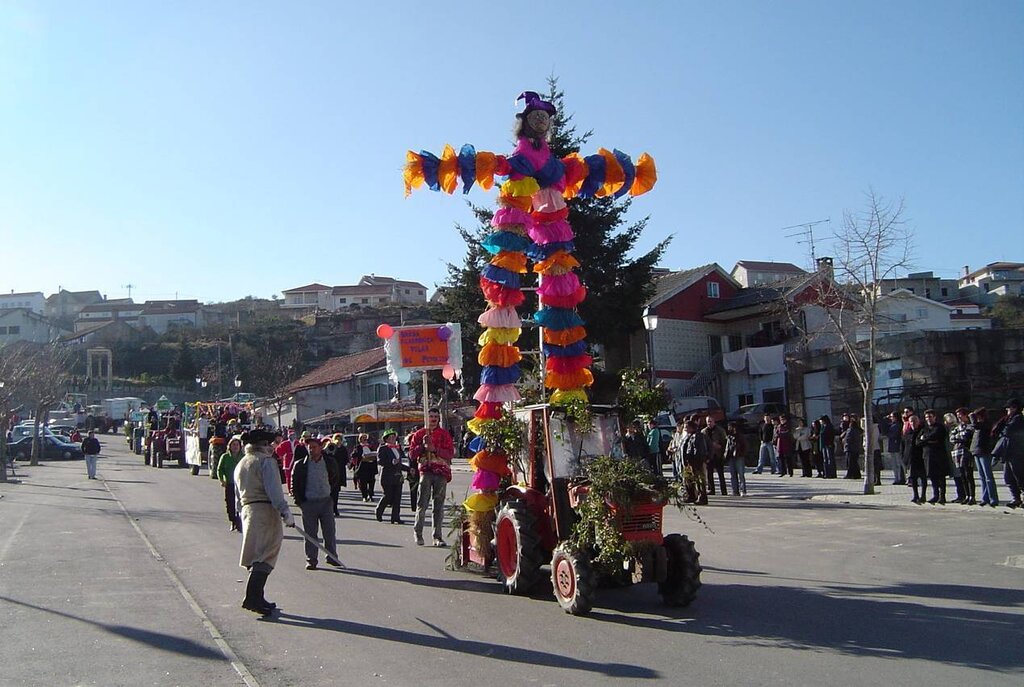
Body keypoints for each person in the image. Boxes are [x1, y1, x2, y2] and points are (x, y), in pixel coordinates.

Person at [233, 428, 294, 616]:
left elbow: (236, 493)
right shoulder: (265, 462)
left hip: (247, 509)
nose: (273, 447)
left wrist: (240, 512)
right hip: (264, 510)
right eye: (271, 443)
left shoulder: (242, 463)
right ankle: (252, 597)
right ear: (264, 445)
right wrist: (285, 510)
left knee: (255, 552)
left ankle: (257, 596)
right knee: (266, 553)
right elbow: (274, 490)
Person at [290, 435, 342, 570]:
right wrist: (299, 502)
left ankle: (332, 556)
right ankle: (311, 560)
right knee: (310, 534)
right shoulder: (300, 465)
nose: (311, 450)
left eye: (314, 447)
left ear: (320, 448)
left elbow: (335, 479)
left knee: (329, 532)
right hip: (308, 503)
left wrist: (331, 496)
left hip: (325, 502)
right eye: (309, 447)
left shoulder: (329, 462)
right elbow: (294, 484)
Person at [409, 408, 454, 547]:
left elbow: (450, 454)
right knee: (422, 504)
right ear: (426, 418)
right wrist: (422, 446)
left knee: (438, 506)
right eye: (431, 416)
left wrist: (435, 449)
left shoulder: (444, 434)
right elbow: (411, 455)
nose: (433, 418)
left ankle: (437, 537)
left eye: (436, 416)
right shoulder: (419, 434)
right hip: (426, 471)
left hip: (441, 472)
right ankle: (418, 532)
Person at [994, 398, 1024, 508]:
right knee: (1008, 477)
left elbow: (1007, 431)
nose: (1007, 410)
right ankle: (1016, 498)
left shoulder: (1018, 418)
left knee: (1019, 476)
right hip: (1008, 452)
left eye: (1009, 408)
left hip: (1017, 452)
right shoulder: (1009, 419)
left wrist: (1003, 426)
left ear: (1015, 408)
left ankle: (1022, 497)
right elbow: (998, 431)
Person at [917, 409, 949, 504]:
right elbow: (918, 441)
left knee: (941, 477)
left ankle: (942, 496)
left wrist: (925, 439)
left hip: (938, 455)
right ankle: (936, 495)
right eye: (926, 417)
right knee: (932, 476)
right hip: (927, 456)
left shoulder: (939, 427)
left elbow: (936, 436)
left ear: (934, 417)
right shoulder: (925, 429)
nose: (928, 419)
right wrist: (927, 440)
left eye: (930, 417)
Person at [375, 430, 408, 524]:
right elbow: (380, 462)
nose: (393, 439)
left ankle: (395, 517)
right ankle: (379, 510)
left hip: (397, 477)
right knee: (388, 496)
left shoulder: (397, 448)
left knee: (397, 498)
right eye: (390, 437)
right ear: (386, 439)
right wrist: (391, 462)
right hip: (387, 476)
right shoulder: (383, 448)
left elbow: (399, 464)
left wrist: (409, 469)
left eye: (394, 437)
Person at [969, 407, 999, 507]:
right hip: (976, 451)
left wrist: (972, 417)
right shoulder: (978, 425)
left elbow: (976, 425)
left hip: (984, 451)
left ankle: (993, 498)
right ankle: (985, 497)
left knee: (988, 476)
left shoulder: (986, 424)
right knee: (982, 477)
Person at [216, 435, 245, 531]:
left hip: (242, 485)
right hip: (230, 484)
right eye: (233, 445)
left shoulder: (244, 457)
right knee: (230, 504)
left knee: (241, 504)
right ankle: (233, 521)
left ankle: (240, 522)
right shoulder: (225, 457)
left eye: (237, 445)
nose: (235, 447)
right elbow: (220, 469)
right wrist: (222, 480)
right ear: (230, 446)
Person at [949, 408, 975, 504]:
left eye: (961, 415)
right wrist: (958, 436)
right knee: (962, 476)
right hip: (957, 453)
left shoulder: (970, 426)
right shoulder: (957, 427)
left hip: (966, 452)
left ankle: (972, 496)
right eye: (958, 416)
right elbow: (951, 438)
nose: (959, 417)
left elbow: (966, 436)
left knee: (969, 475)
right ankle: (966, 495)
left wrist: (958, 437)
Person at [681, 420, 709, 505]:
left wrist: (696, 461)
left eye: (687, 427)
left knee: (699, 480)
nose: (685, 428)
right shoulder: (688, 436)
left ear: (691, 427)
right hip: (688, 462)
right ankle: (691, 496)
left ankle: (702, 497)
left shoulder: (697, 436)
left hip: (696, 462)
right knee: (689, 480)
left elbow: (698, 450)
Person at [702, 417, 728, 495]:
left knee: (721, 474)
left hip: (718, 454)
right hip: (709, 455)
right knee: (709, 474)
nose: (709, 423)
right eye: (707, 422)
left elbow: (725, 442)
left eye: (710, 421)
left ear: (714, 421)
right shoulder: (704, 432)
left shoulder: (720, 430)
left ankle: (723, 490)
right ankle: (711, 490)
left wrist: (720, 447)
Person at [904, 415, 927, 503]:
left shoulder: (923, 430)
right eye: (911, 422)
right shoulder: (908, 432)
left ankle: (923, 495)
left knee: (923, 477)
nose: (913, 423)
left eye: (915, 421)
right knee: (913, 478)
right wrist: (905, 458)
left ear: (918, 422)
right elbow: (905, 445)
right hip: (911, 458)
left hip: (921, 458)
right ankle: (915, 495)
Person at [352, 433, 379, 502]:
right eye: (363, 438)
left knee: (372, 482)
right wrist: (361, 455)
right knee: (363, 483)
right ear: (360, 439)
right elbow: (353, 455)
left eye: (365, 438)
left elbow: (374, 453)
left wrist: (374, 455)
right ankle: (364, 496)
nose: (365, 440)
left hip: (370, 467)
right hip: (362, 467)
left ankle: (371, 495)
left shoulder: (370, 446)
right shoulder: (358, 447)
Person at [724, 422, 747, 496]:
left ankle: (743, 490)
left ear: (734, 428)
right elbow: (727, 447)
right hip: (731, 457)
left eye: (730, 427)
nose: (728, 429)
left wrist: (741, 454)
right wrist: (725, 455)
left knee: (741, 474)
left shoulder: (740, 436)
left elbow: (744, 446)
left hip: (739, 457)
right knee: (733, 475)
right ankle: (735, 490)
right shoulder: (729, 437)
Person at [885, 411, 905, 485]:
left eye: (892, 417)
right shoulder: (892, 425)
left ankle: (901, 478)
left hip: (897, 445)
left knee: (899, 463)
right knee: (894, 464)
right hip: (892, 445)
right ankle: (896, 478)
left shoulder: (898, 425)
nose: (891, 418)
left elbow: (892, 434)